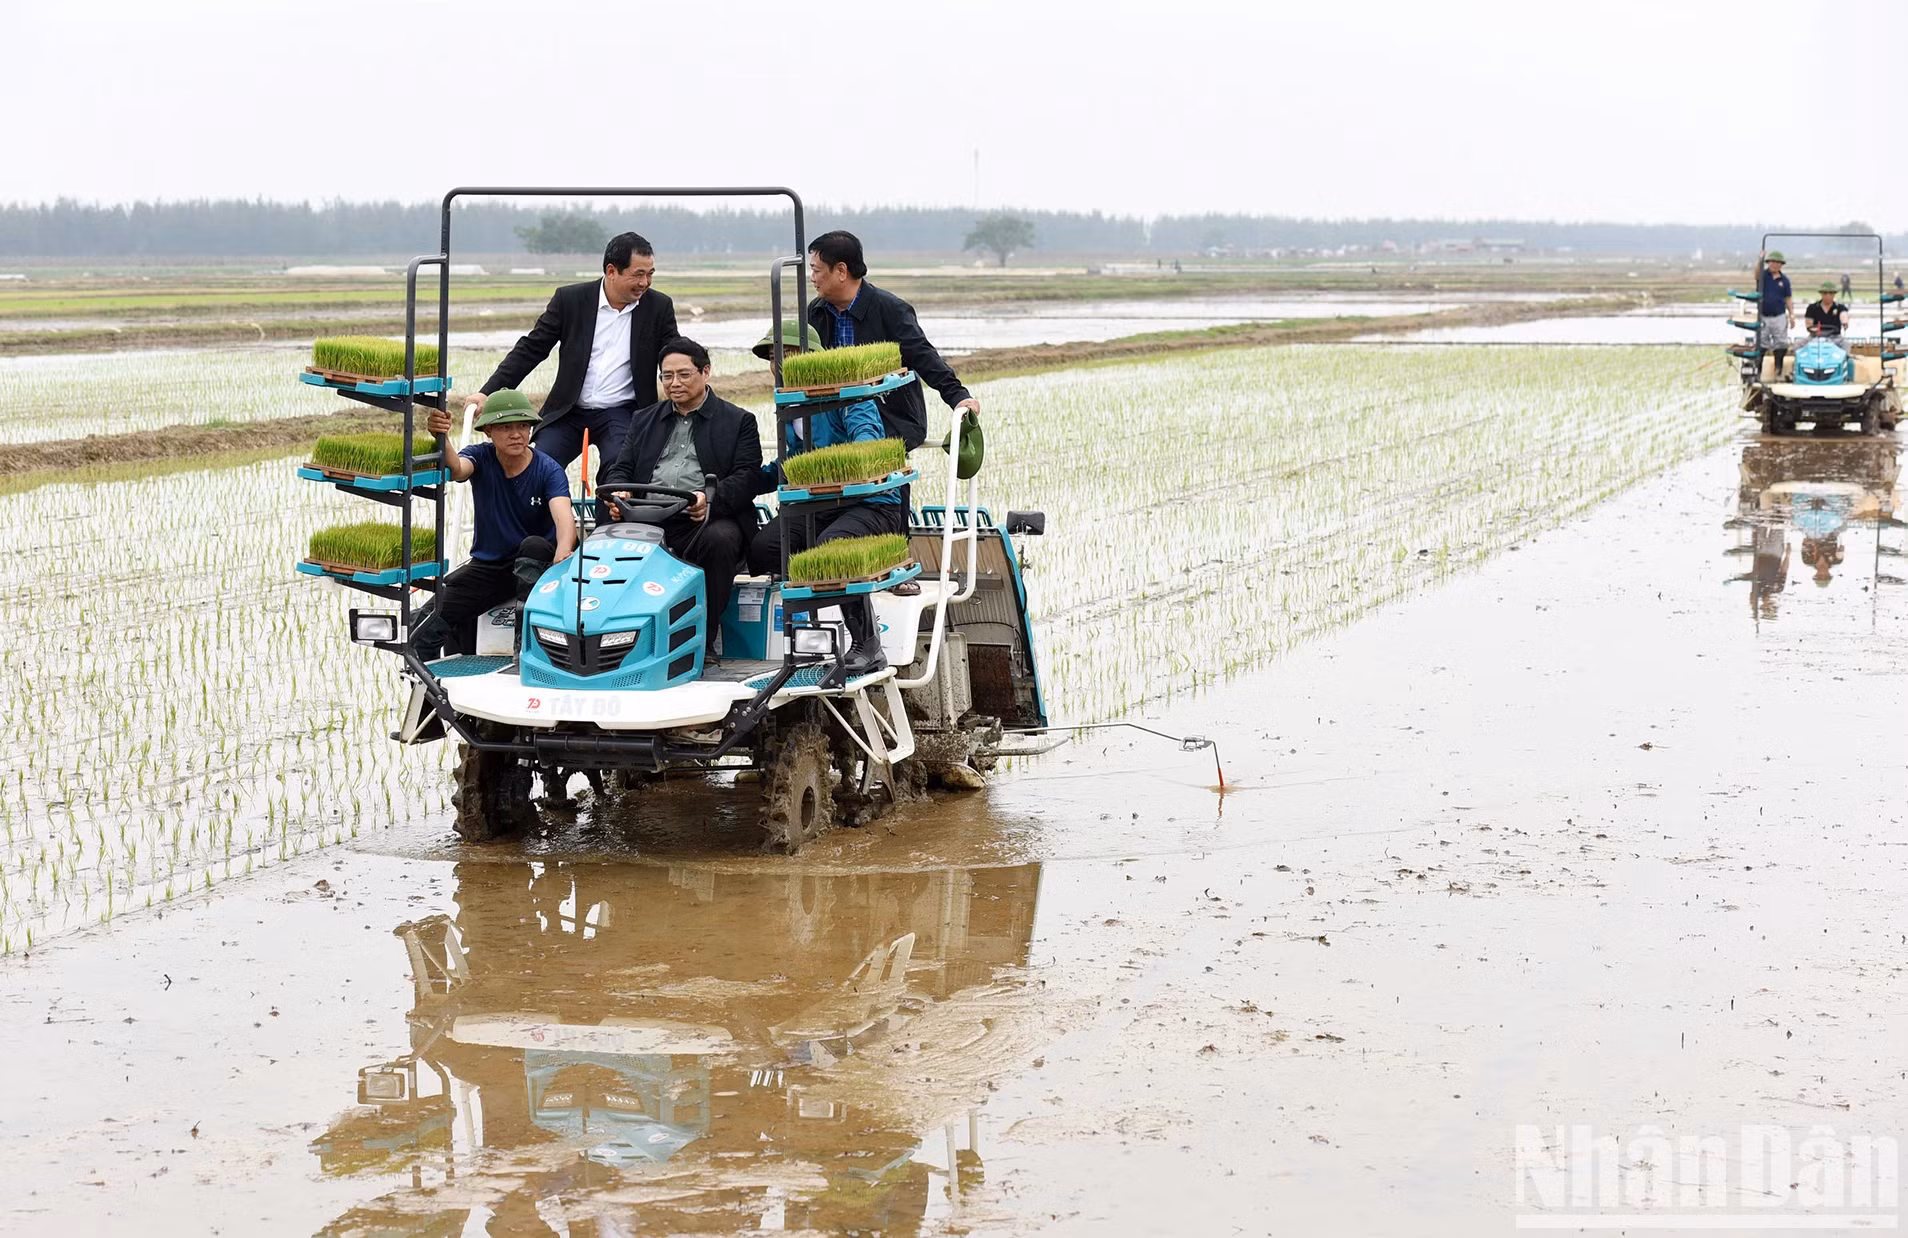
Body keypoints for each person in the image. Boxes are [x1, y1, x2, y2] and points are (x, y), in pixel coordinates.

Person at [746, 322, 903, 680]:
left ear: (814, 357)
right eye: (774, 357)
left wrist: (850, 462)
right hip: (819, 505)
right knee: (765, 548)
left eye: (789, 353)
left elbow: (866, 439)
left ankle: (868, 645)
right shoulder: (789, 403)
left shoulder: (848, 395)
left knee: (833, 548)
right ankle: (805, 625)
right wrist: (742, 483)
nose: (780, 363)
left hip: (870, 504)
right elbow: (789, 464)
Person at [471, 232, 678, 483]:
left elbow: (674, 355)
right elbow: (532, 348)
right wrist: (488, 392)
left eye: (650, 274)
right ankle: (546, 522)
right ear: (611, 271)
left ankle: (609, 522)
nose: (645, 282)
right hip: (569, 410)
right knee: (539, 464)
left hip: (623, 412)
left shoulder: (658, 306)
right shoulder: (570, 300)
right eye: (638, 274)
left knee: (619, 468)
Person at [600, 338, 761, 658]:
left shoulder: (738, 420)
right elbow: (622, 469)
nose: (674, 383)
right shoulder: (643, 419)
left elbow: (747, 477)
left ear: (706, 372)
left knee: (721, 539)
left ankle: (705, 637)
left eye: (684, 375)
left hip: (700, 519)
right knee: (601, 535)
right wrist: (620, 493)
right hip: (644, 516)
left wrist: (709, 501)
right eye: (667, 376)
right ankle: (608, 635)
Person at [415, 390, 576, 657]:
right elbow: (457, 469)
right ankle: (437, 689)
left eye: (523, 426)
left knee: (533, 545)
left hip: (540, 569)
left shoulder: (548, 469)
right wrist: (440, 437)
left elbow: (563, 516)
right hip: (490, 569)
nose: (516, 434)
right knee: (425, 625)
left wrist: (563, 550)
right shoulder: (481, 456)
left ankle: (524, 648)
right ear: (488, 431)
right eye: (506, 427)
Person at [805, 230, 979, 450]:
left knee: (882, 475)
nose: (812, 278)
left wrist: (958, 397)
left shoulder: (890, 309)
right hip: (833, 422)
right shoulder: (816, 311)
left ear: (841, 271)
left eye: (816, 270)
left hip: (890, 419)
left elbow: (924, 356)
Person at [1759, 252, 1794, 380]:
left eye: (1778, 263)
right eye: (1772, 262)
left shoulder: (1784, 281)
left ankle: (1778, 369)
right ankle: (1758, 371)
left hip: (1779, 315)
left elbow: (1788, 298)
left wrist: (1792, 315)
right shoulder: (1763, 276)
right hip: (1763, 315)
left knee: (1781, 343)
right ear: (1768, 263)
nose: (1775, 265)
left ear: (1781, 265)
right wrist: (1760, 260)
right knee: (1761, 342)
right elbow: (1756, 274)